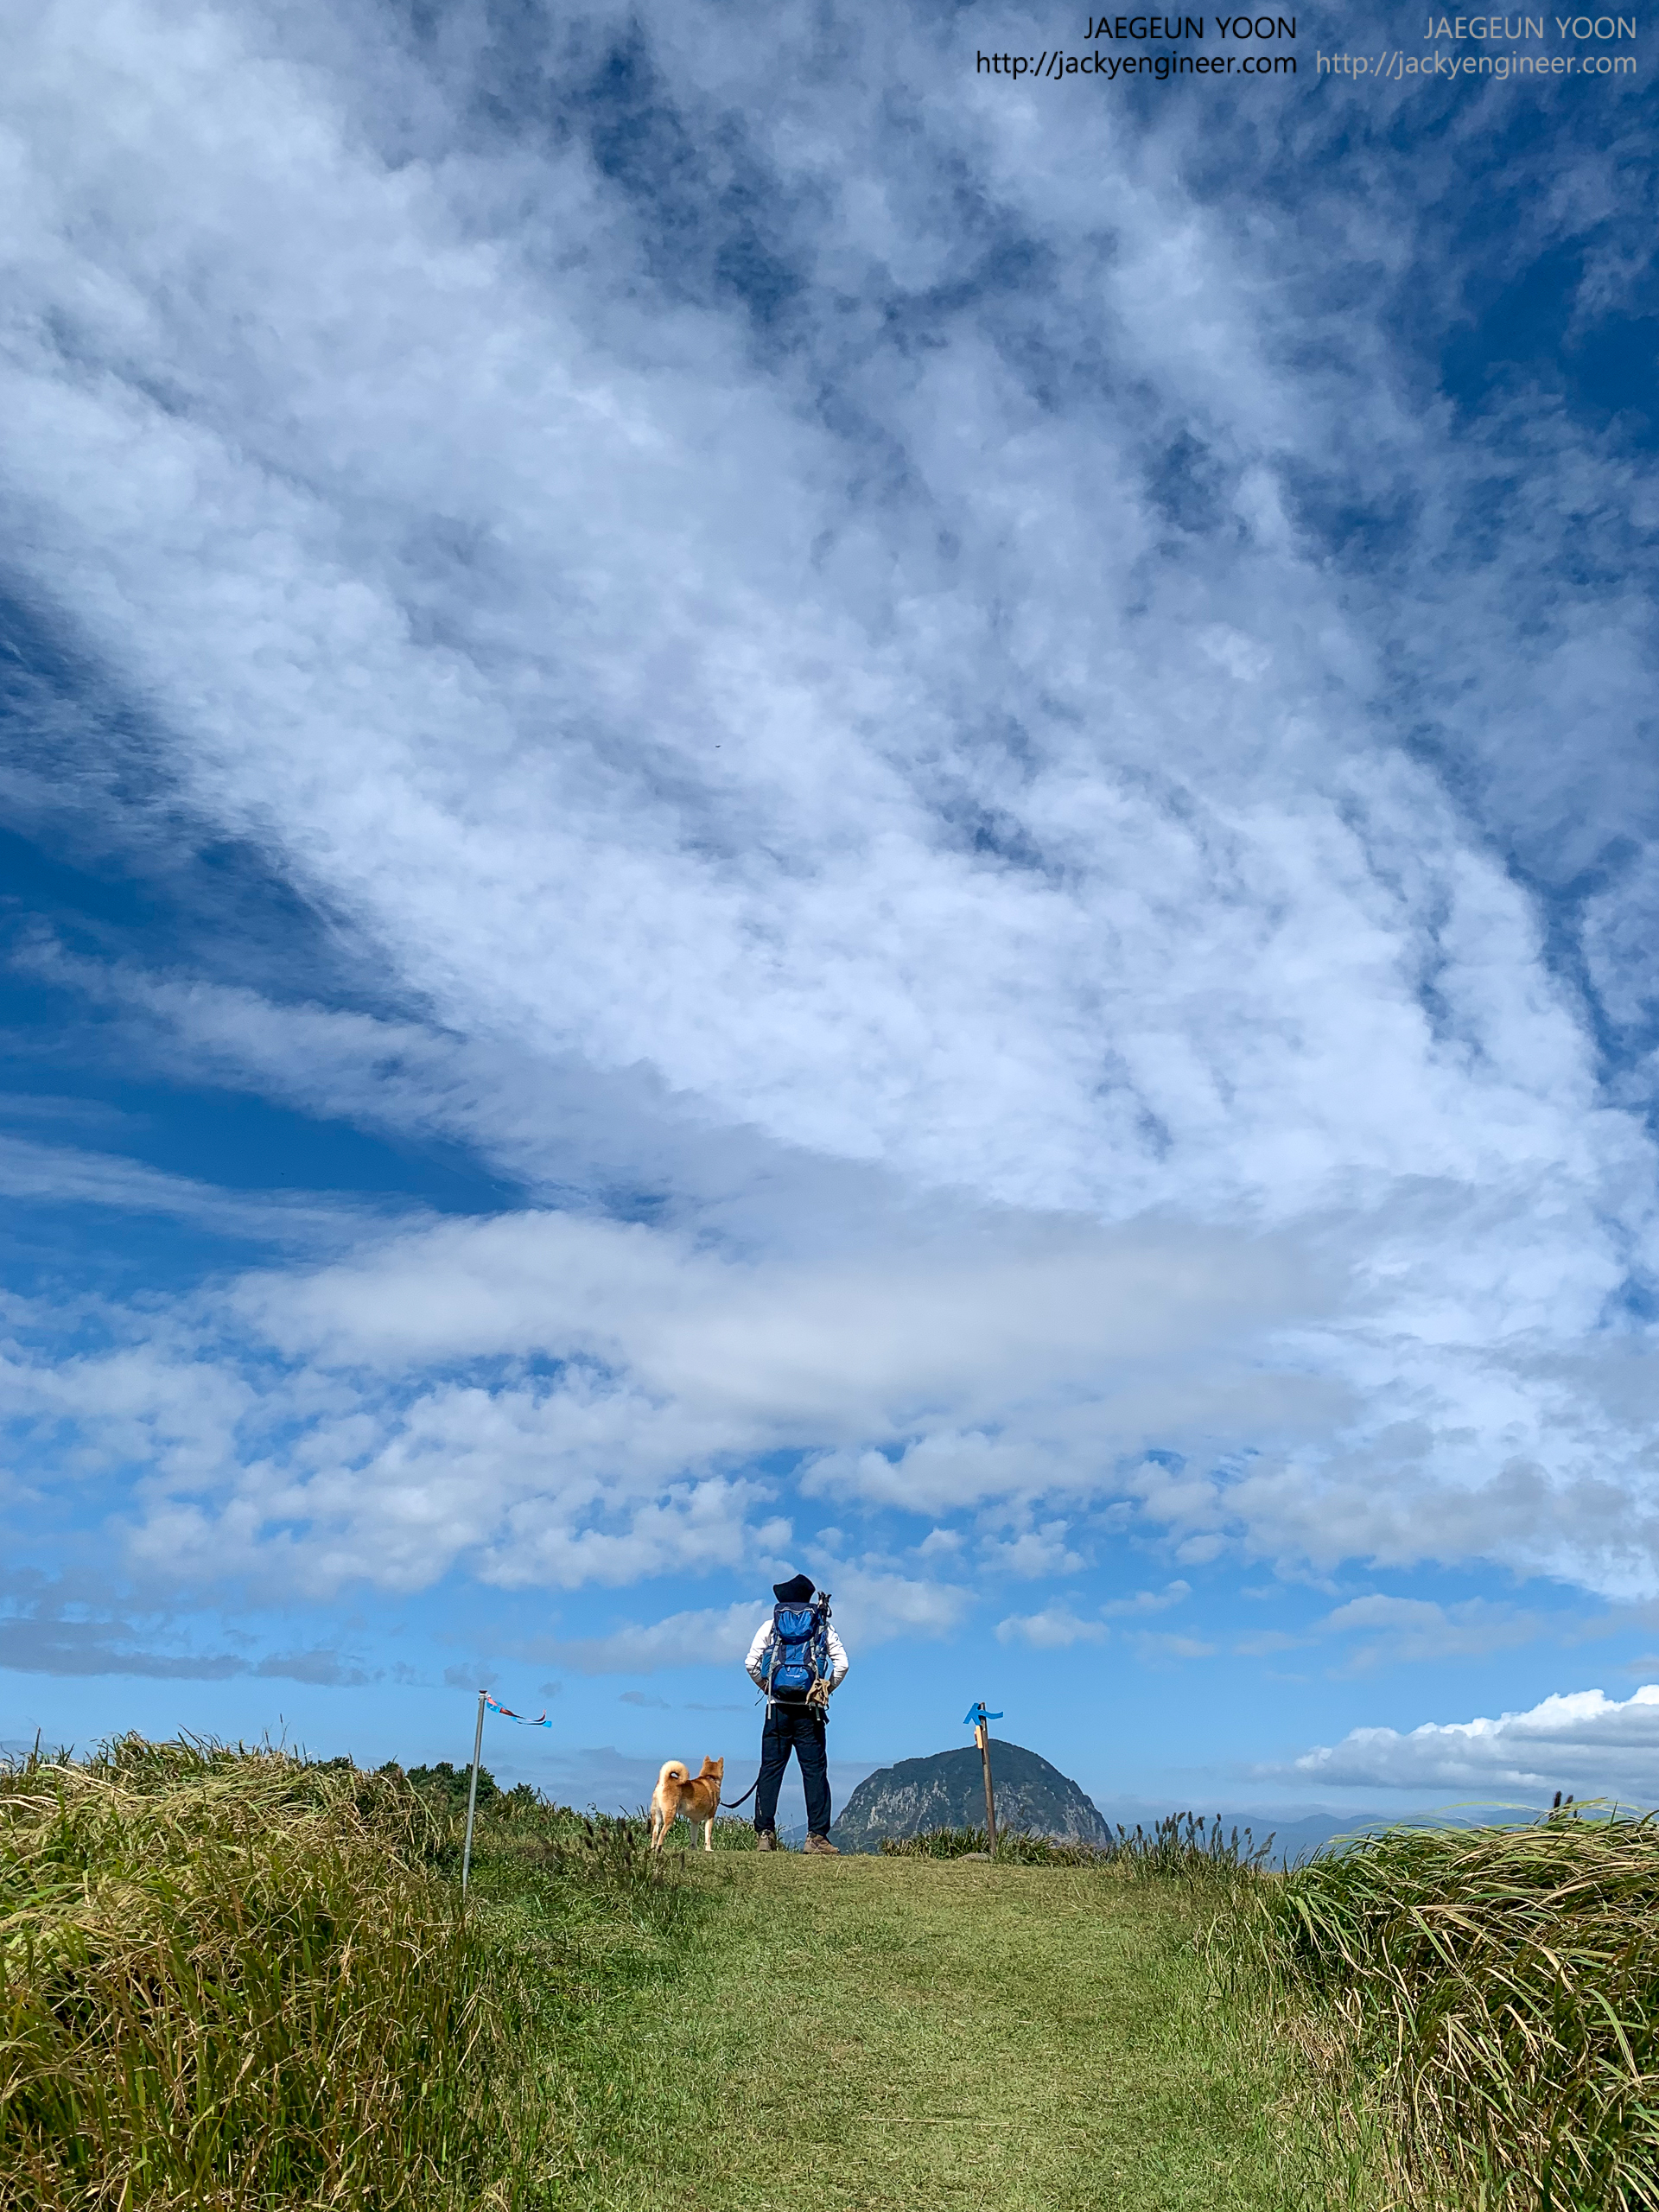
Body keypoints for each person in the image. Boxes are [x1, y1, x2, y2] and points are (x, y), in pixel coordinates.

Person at [745, 1573, 849, 1853]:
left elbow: (751, 1663)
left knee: (770, 1770)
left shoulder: (771, 1625)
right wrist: (825, 1689)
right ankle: (816, 1838)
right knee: (814, 1773)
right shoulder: (821, 1625)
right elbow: (842, 1664)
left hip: (776, 1709)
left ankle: (765, 1835)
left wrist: (767, 1686)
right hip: (809, 1711)